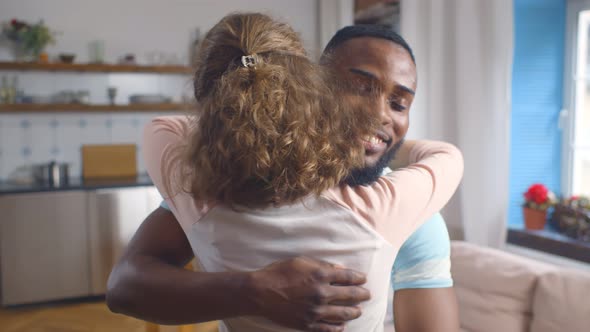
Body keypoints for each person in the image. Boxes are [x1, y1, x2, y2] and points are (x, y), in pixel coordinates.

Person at [107, 16, 462, 332]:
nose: (380, 114)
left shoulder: (206, 180)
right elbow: (126, 287)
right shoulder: (217, 178)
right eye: (358, 88)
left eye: (399, 104)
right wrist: (254, 291)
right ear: (307, 90)